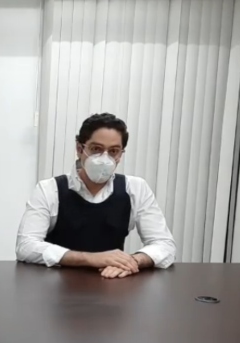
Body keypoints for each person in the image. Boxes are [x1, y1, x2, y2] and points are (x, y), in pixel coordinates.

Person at [15, 113, 175, 278]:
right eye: (96, 149)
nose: (104, 158)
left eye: (113, 151)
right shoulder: (49, 189)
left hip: (112, 283)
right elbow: (25, 246)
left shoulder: (135, 188)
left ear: (120, 155)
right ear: (80, 149)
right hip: (56, 285)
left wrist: (132, 261)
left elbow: (165, 245)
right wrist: (90, 259)